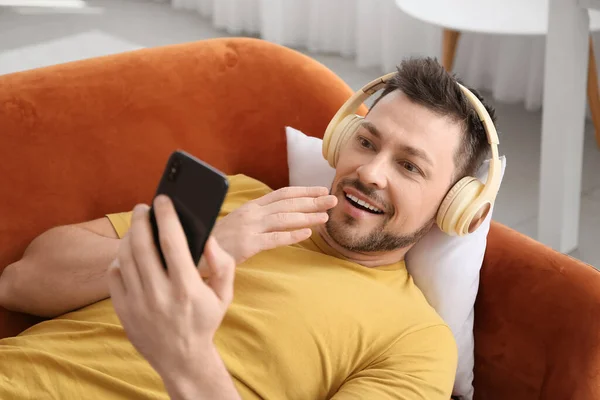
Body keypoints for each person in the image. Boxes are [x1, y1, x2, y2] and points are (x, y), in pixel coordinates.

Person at [0, 57, 496, 399]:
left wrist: (187, 360)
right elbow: (21, 281)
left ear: (452, 207)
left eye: (410, 166)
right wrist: (198, 249)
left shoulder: (415, 341)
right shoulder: (242, 199)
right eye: (366, 142)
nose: (370, 172)